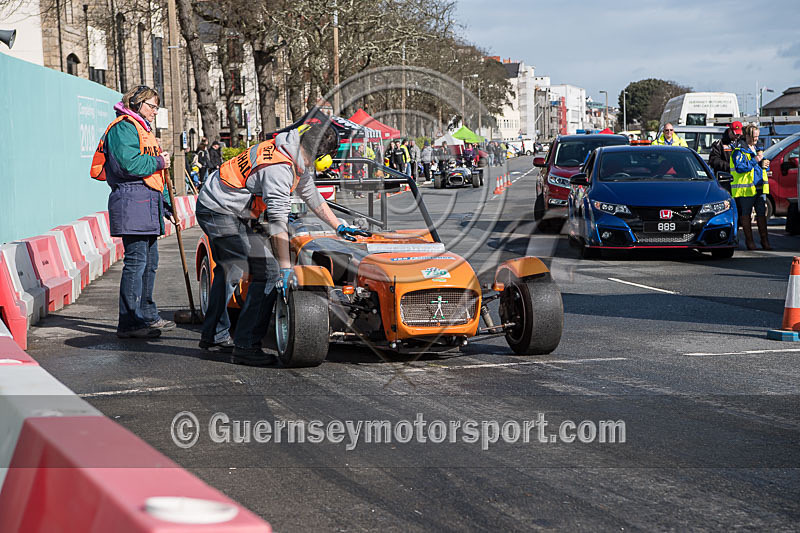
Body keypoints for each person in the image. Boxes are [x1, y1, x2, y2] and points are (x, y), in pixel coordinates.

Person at [195, 123, 368, 365]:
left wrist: (337, 224)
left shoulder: (290, 150)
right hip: (219, 210)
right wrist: (285, 268)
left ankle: (213, 336)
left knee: (230, 268)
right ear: (321, 156)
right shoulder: (279, 168)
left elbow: (311, 195)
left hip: (224, 205)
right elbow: (277, 224)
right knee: (267, 272)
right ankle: (245, 346)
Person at [90, 85, 176, 338]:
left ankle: (146, 314)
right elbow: (130, 164)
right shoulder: (123, 127)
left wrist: (167, 203)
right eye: (151, 106)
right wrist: (160, 161)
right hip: (132, 202)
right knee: (137, 262)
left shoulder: (143, 130)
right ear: (137, 104)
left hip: (148, 203)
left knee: (150, 263)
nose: (154, 112)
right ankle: (129, 322)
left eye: (156, 107)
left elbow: (157, 176)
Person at [731, 124, 771, 250]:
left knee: (761, 215)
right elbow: (740, 167)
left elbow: (761, 164)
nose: (756, 140)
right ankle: (750, 242)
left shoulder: (758, 148)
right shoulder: (739, 150)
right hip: (746, 189)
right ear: (747, 136)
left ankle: (765, 241)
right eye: (754, 137)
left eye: (758, 137)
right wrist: (756, 160)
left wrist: (765, 164)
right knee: (746, 215)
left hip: (759, 187)